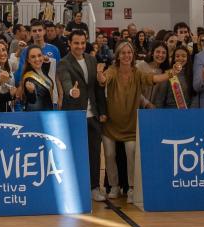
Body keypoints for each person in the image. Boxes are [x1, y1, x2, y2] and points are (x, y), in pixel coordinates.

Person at [57, 28, 106, 199]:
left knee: (94, 153)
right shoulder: (63, 63)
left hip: (93, 115)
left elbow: (97, 89)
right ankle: (74, 187)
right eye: (76, 43)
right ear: (69, 44)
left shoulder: (92, 60)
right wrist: (71, 92)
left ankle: (94, 187)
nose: (79, 46)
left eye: (82, 43)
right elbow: (66, 81)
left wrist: (102, 111)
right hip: (74, 114)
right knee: (75, 153)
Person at [99, 40, 144, 203]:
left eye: (129, 53)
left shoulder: (137, 72)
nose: (126, 55)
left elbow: (152, 78)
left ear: (133, 55)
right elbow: (104, 80)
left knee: (131, 154)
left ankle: (132, 188)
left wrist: (171, 74)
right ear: (117, 55)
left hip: (130, 126)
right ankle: (114, 186)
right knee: (109, 155)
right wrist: (100, 75)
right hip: (110, 124)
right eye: (123, 53)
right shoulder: (111, 70)